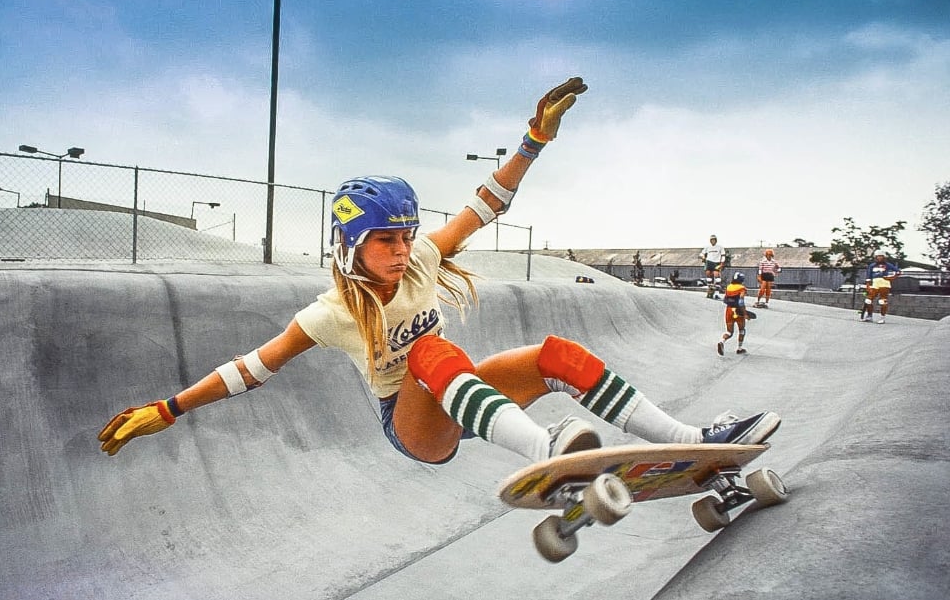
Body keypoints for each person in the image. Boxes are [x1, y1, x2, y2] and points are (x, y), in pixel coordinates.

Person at [99, 77, 780, 468]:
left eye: (406, 239)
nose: (402, 253)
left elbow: (484, 204)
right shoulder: (328, 313)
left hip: (456, 392)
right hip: (412, 424)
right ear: (349, 248)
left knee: (554, 354)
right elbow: (250, 366)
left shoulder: (425, 255)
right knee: (430, 350)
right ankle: (548, 451)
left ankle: (694, 440)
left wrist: (533, 142)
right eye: (384, 243)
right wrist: (168, 408)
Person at [861, 250, 902, 324]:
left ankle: (882, 318)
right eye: (878, 256)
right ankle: (869, 316)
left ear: (884, 257)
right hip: (875, 283)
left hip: (884, 283)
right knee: (868, 300)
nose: (879, 258)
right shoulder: (872, 265)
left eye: (881, 256)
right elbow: (868, 276)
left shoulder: (888, 265)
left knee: (882, 301)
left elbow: (898, 272)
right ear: (875, 257)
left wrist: (891, 278)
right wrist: (868, 286)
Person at [718, 271, 752, 355]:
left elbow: (725, 299)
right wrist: (745, 314)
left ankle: (721, 341)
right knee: (742, 330)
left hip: (729, 310)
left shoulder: (729, 287)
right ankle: (739, 348)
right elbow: (741, 302)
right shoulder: (742, 288)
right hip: (738, 311)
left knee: (729, 332)